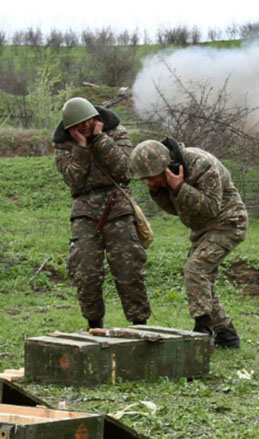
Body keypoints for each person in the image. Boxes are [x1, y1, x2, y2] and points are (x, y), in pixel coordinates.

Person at [129, 139, 248, 348]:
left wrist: (179, 187)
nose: (149, 183)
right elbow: (177, 209)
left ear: (165, 167)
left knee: (196, 269)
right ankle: (227, 335)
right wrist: (161, 192)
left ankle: (202, 332)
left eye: (151, 178)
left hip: (228, 223)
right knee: (202, 281)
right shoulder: (167, 177)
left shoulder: (202, 165)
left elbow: (211, 207)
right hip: (202, 229)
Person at [53, 97, 151, 329]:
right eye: (79, 126)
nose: (85, 128)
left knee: (129, 270)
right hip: (85, 209)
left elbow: (124, 170)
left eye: (88, 122)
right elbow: (73, 179)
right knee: (85, 271)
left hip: (117, 207)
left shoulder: (115, 131)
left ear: (95, 118)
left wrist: (99, 139)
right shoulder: (63, 143)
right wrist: (81, 147)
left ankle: (140, 325)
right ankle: (94, 325)